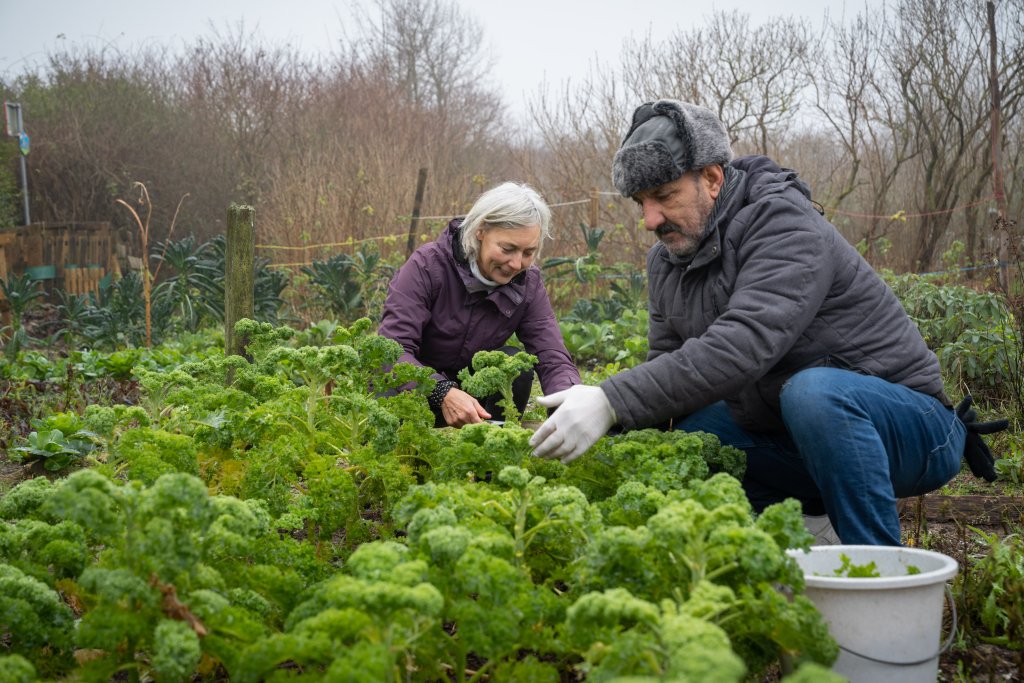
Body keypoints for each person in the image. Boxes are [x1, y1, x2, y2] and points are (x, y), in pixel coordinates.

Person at [529, 98, 989, 546]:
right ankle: (800, 535)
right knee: (694, 436)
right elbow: (669, 378)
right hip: (797, 438)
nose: (651, 219)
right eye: (641, 202)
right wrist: (605, 423)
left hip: (913, 429)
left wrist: (612, 399)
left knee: (814, 393)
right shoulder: (668, 261)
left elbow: (744, 344)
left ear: (711, 178)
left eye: (665, 196)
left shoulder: (783, 223)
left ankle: (877, 577)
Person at [378, 181, 580, 427]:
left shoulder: (528, 283)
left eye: (528, 252)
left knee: (514, 365)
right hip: (415, 391)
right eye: (508, 248)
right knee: (387, 385)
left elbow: (551, 356)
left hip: (472, 398)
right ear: (480, 231)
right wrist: (441, 390)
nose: (516, 264)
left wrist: (570, 402)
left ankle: (491, 455)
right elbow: (392, 349)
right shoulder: (427, 266)